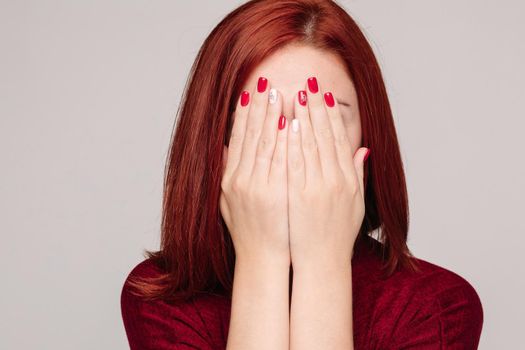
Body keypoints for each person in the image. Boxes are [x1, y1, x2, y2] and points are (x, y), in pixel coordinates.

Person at [120, 0, 484, 348]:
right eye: (258, 122)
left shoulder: (435, 306)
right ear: (214, 145)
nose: (294, 148)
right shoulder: (161, 298)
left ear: (368, 135)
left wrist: (322, 261)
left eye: (322, 119)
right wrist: (262, 259)